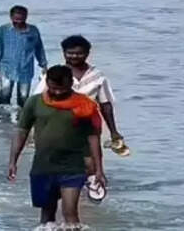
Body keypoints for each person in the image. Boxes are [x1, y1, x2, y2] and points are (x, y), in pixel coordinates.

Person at [8, 65, 107, 229]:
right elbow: (21, 132)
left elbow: (93, 138)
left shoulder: (83, 105)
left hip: (73, 167)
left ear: (71, 84)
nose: (58, 93)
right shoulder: (34, 103)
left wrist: (99, 169)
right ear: (47, 82)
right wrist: (13, 161)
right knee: (47, 218)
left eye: (62, 88)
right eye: (54, 88)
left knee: (71, 215)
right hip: (43, 166)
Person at [34, 35, 125, 197]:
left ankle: (90, 185)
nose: (74, 56)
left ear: (87, 53)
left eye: (79, 53)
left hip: (88, 123)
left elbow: (105, 105)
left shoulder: (98, 76)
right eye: (70, 53)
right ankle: (64, 188)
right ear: (64, 53)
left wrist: (113, 131)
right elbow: (37, 101)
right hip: (59, 124)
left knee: (90, 160)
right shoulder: (55, 74)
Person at [0, 5, 47, 107]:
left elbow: (39, 48)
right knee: (5, 94)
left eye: (21, 19)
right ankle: (3, 120)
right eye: (16, 19)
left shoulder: (33, 30)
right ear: (11, 17)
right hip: (6, 67)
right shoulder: (3, 30)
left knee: (24, 97)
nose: (19, 22)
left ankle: (21, 119)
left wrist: (44, 65)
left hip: (25, 68)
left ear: (26, 17)